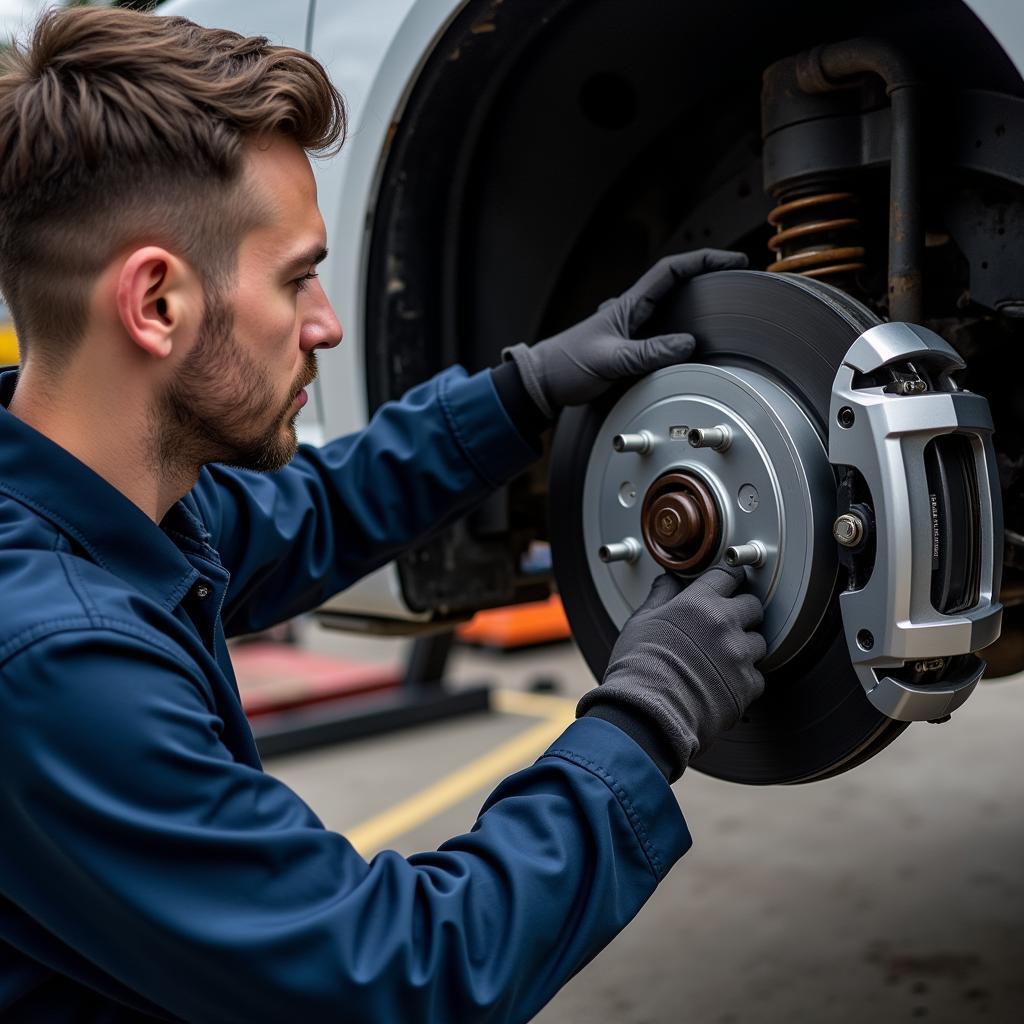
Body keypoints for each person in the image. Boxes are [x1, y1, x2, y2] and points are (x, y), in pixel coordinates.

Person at [0, 7, 766, 1023]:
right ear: (157, 305)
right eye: (297, 277)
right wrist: (644, 717)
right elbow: (400, 972)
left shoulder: (105, 500)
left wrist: (523, 391)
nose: (326, 323)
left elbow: (310, 510)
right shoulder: (56, 663)